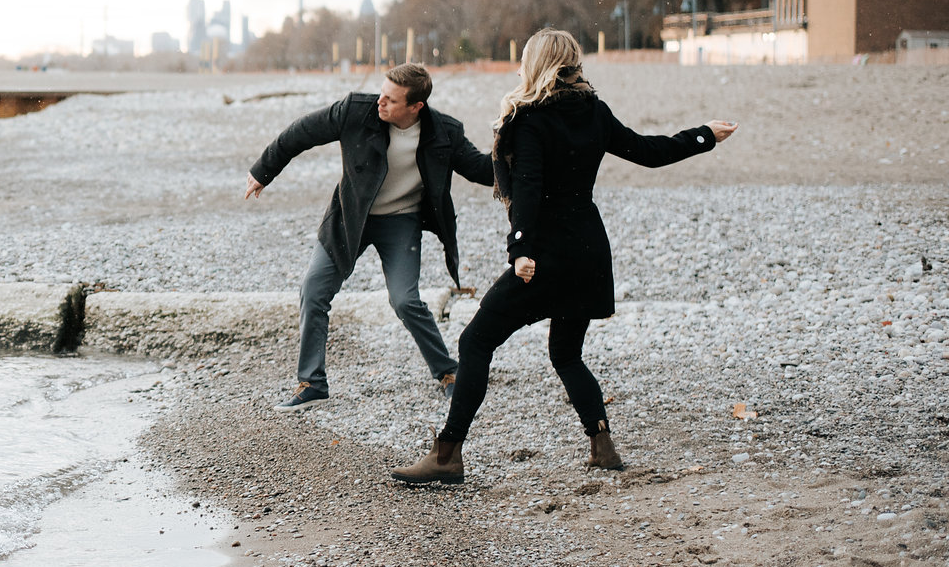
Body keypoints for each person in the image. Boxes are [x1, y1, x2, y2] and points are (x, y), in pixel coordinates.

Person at [391, 29, 737, 484]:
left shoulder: (529, 118)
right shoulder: (592, 111)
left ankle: (446, 456)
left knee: (475, 342)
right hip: (589, 252)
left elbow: (530, 188)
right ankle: (603, 446)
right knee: (566, 353)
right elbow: (648, 151)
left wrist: (521, 249)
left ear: (535, 63)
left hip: (545, 254)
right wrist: (701, 136)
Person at [244, 62, 494, 411]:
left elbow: (482, 169)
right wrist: (263, 171)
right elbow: (301, 133)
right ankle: (311, 384)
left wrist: (518, 151)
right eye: (382, 93)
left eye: (391, 100)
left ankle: (449, 372)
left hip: (401, 222)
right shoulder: (356, 111)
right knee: (314, 290)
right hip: (351, 218)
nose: (381, 102)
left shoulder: (444, 133)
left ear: (416, 107)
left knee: (405, 301)